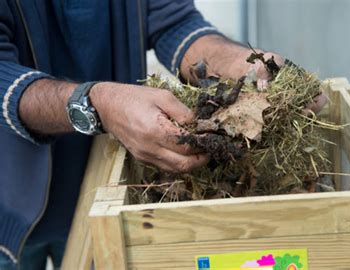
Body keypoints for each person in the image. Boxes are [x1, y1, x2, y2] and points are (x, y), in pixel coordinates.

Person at [0, 1, 325, 269]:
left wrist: (239, 62)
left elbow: (175, 23)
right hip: (12, 210)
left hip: (111, 198)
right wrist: (100, 105)